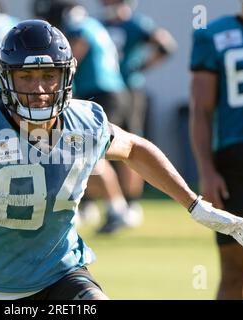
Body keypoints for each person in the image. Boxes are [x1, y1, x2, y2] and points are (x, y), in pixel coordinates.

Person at [0, 20, 243, 300]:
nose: (40, 89)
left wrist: (194, 204)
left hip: (63, 274)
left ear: (66, 77)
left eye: (49, 76)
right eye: (26, 77)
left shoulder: (85, 121)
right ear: (6, 78)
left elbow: (136, 149)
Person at [190, 0, 243, 299]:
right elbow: (201, 109)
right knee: (233, 271)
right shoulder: (212, 34)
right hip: (234, 166)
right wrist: (206, 170)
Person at [36, 0, 139, 234]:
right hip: (114, 90)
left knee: (88, 152)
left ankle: (117, 208)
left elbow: (72, 59)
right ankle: (101, 205)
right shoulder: (91, 23)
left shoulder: (77, 27)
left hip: (101, 92)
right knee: (98, 150)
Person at [100, 0, 177, 220]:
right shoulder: (100, 23)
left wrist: (142, 67)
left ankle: (131, 202)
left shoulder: (137, 24)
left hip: (130, 90)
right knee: (100, 144)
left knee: (130, 145)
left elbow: (166, 45)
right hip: (106, 89)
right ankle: (105, 201)